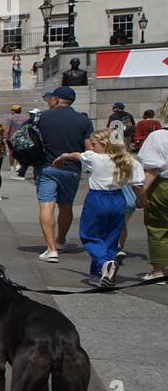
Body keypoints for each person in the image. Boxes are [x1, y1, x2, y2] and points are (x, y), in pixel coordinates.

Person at [53, 128, 145, 287]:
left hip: (97, 199)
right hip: (118, 200)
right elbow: (138, 187)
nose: (91, 147)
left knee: (90, 235)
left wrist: (63, 156)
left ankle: (105, 264)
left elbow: (76, 155)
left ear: (104, 144)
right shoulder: (130, 161)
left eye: (94, 144)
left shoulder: (94, 158)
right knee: (110, 238)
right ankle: (99, 275)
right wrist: (143, 202)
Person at [35, 85, 92, 262]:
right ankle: (60, 240)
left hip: (48, 167)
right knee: (66, 206)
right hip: (72, 169)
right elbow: (89, 149)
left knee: (47, 205)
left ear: (56, 99)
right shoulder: (83, 120)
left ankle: (51, 249)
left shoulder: (43, 117)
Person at [135, 98, 168, 283]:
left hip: (163, 186)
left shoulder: (159, 136)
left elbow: (152, 169)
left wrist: (140, 195)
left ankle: (158, 272)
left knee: (158, 227)